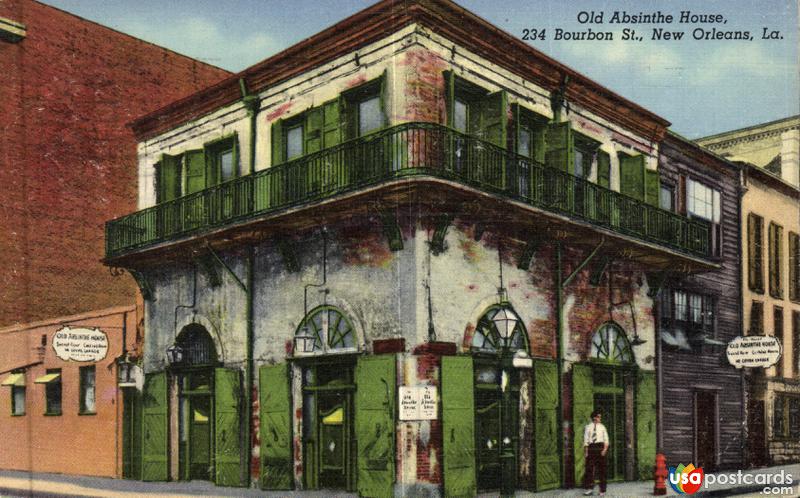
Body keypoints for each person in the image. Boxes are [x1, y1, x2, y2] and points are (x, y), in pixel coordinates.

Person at [583, 409, 609, 496]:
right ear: (594, 417)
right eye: (599, 417)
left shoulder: (602, 427)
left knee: (602, 469)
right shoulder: (588, 427)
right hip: (591, 448)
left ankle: (602, 490)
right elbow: (586, 440)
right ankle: (590, 488)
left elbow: (606, 440)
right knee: (589, 469)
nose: (600, 418)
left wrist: (604, 450)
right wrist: (586, 452)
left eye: (600, 417)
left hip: (600, 447)